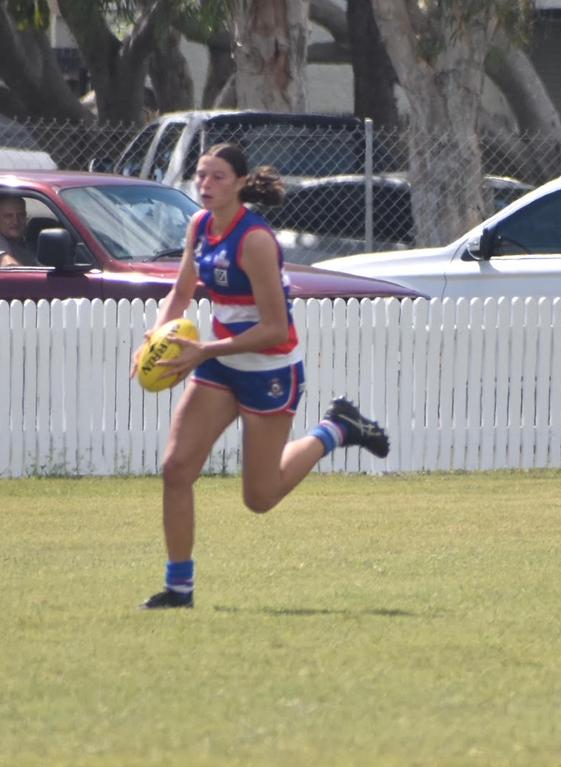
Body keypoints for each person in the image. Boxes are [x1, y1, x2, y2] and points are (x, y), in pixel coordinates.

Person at [133, 143, 390, 610]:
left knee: (261, 497)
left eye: (217, 177)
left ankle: (336, 428)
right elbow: (182, 288)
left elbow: (273, 328)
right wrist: (153, 339)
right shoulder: (200, 226)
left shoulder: (254, 240)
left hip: (270, 369)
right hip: (218, 364)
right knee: (176, 470)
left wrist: (203, 349)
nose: (205, 185)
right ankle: (179, 589)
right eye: (201, 175)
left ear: (239, 184)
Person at [0, 194, 38, 267]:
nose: (16, 221)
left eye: (21, 215)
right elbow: (8, 264)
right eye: (8, 216)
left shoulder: (22, 243)